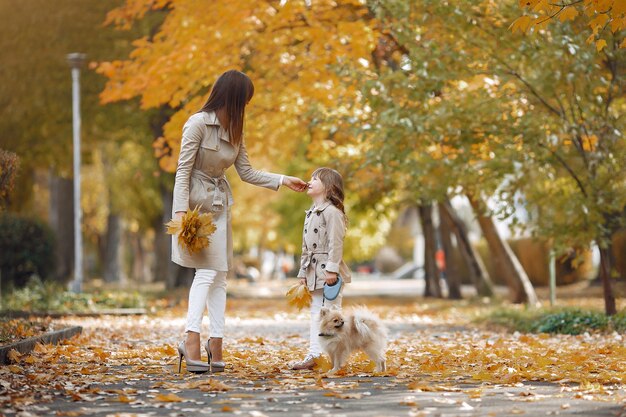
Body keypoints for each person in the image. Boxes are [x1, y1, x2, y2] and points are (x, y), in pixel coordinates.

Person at [172, 70, 307, 373]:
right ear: (232, 97)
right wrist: (180, 214)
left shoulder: (235, 130)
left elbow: (246, 172)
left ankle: (215, 342)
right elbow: (183, 171)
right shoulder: (196, 124)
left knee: (220, 276)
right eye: (244, 100)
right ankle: (190, 338)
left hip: (220, 205)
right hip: (195, 209)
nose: (245, 107)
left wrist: (283, 180)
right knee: (206, 273)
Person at [291, 167, 352, 370]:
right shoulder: (311, 213)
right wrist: (302, 273)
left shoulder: (333, 213)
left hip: (328, 271)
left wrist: (332, 269)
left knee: (333, 316)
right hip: (313, 270)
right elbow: (305, 248)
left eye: (314, 179)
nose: (309, 181)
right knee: (316, 313)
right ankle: (315, 355)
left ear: (327, 186)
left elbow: (336, 243)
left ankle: (335, 358)